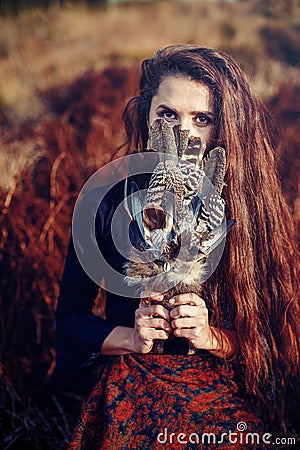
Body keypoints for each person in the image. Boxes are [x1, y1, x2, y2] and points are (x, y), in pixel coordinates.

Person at [55, 45, 299, 448]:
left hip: (218, 390)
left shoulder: (248, 200)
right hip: (133, 383)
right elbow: (68, 322)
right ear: (147, 116)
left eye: (201, 119)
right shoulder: (107, 193)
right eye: (168, 114)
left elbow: (274, 343)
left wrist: (209, 336)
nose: (183, 133)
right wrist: (128, 337)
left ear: (223, 127)